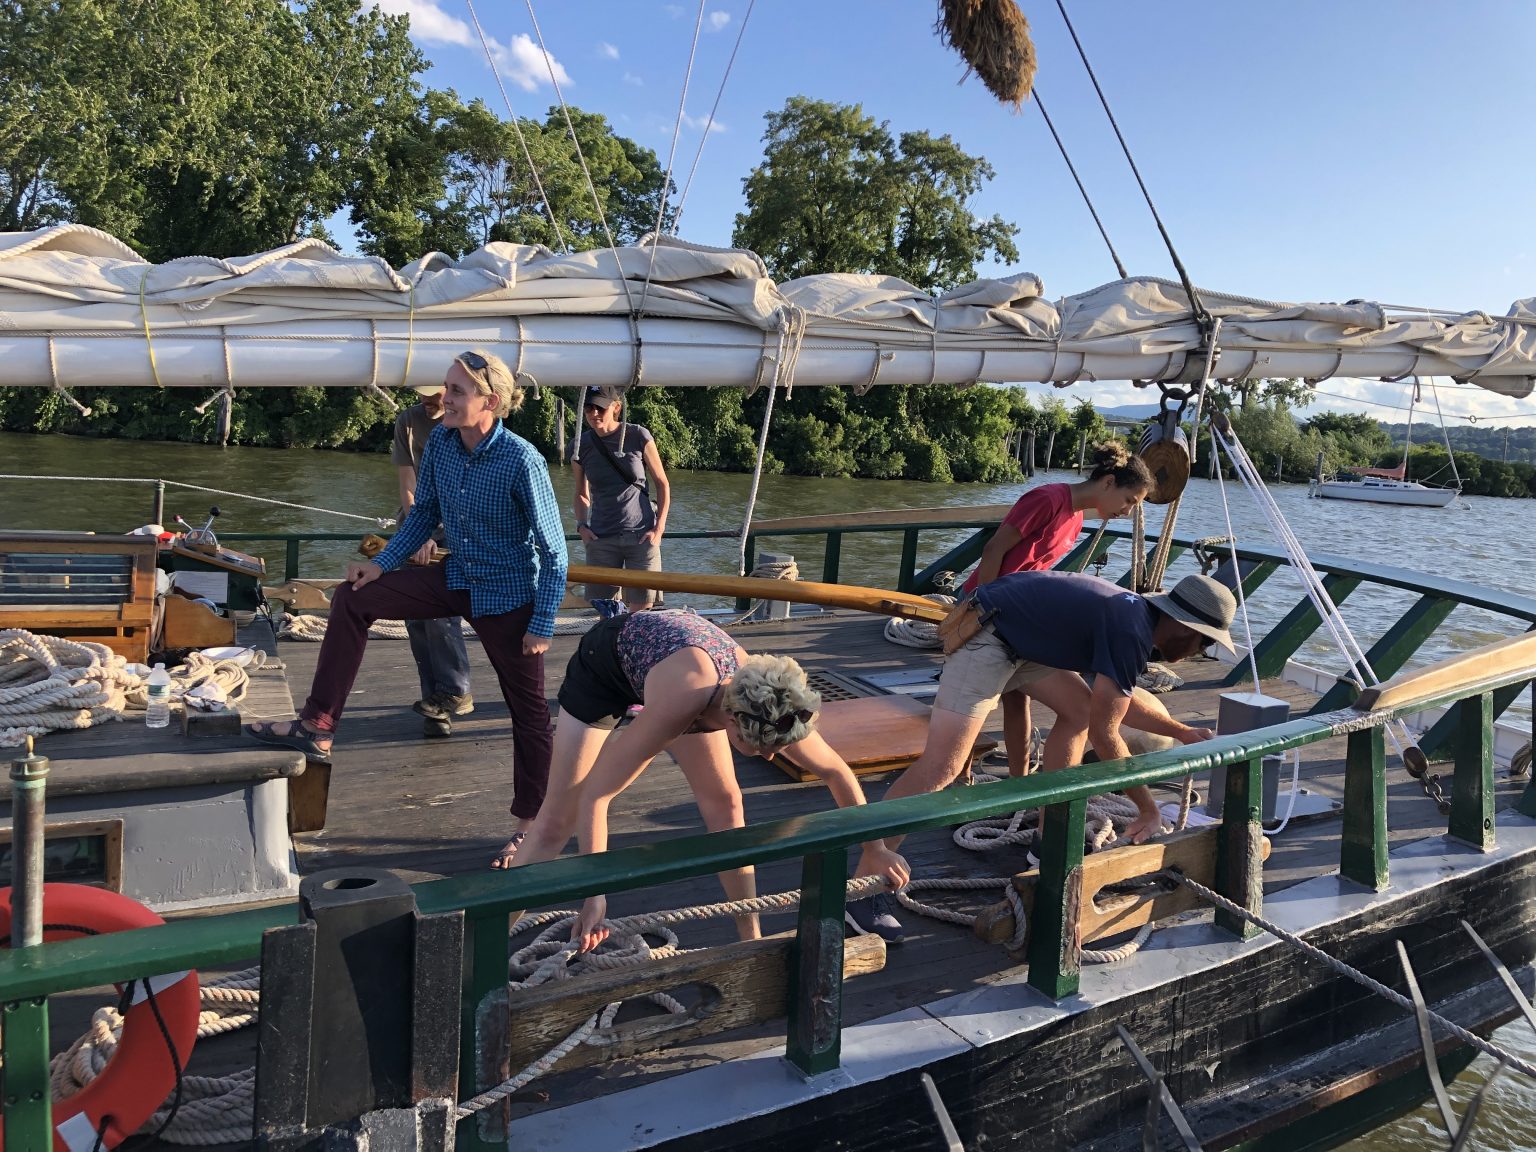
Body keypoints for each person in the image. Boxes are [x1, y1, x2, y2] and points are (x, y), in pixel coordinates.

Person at [247, 350, 567, 848]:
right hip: (456, 577)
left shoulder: (522, 460)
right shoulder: (441, 441)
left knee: (528, 715)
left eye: (457, 391)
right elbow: (422, 516)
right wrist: (382, 564)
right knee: (354, 597)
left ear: (491, 401)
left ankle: (531, 827)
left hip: (508, 596)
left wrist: (542, 623)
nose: (445, 398)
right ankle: (318, 725)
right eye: (446, 387)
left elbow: (555, 552)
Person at [495, 610, 912, 951]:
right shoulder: (684, 699)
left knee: (727, 804)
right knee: (556, 821)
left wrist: (874, 849)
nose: (770, 757)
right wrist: (595, 895)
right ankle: (487, 944)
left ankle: (750, 941)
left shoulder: (775, 702)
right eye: (758, 747)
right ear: (730, 719)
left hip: (678, 663)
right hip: (606, 666)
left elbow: (836, 772)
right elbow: (597, 797)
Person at [846, 571, 1231, 933]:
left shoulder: (1134, 617)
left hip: (1018, 636)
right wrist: (1147, 809)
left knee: (1078, 711)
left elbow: (1113, 706)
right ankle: (866, 885)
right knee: (942, 766)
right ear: (1186, 628)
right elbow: (1106, 734)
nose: (1200, 652)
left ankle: (1049, 839)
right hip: (988, 634)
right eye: (1205, 643)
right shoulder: (1131, 630)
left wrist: (1181, 731)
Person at [963, 443, 1153, 776]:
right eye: (1129, 500)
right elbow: (994, 549)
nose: (1127, 512)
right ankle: (964, 775)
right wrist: (983, 611)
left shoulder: (1076, 519)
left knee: (1016, 699)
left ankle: (1019, 782)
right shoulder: (1048, 500)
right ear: (1108, 482)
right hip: (988, 614)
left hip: (1017, 619)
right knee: (977, 702)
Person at [392, 383, 473, 738]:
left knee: (442, 614)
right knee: (417, 619)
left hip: (453, 529)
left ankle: (455, 689)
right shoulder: (407, 421)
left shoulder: (462, 422)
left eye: (433, 393)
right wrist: (418, 532)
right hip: (413, 525)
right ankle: (435, 705)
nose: (426, 400)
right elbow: (407, 485)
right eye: (420, 393)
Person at [574, 385, 670, 613]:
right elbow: (580, 493)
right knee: (606, 613)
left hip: (641, 536)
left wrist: (659, 529)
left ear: (616, 407)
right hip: (601, 538)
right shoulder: (580, 445)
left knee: (641, 614)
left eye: (600, 408)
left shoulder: (638, 435)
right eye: (588, 408)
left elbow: (662, 483)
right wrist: (581, 527)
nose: (594, 413)